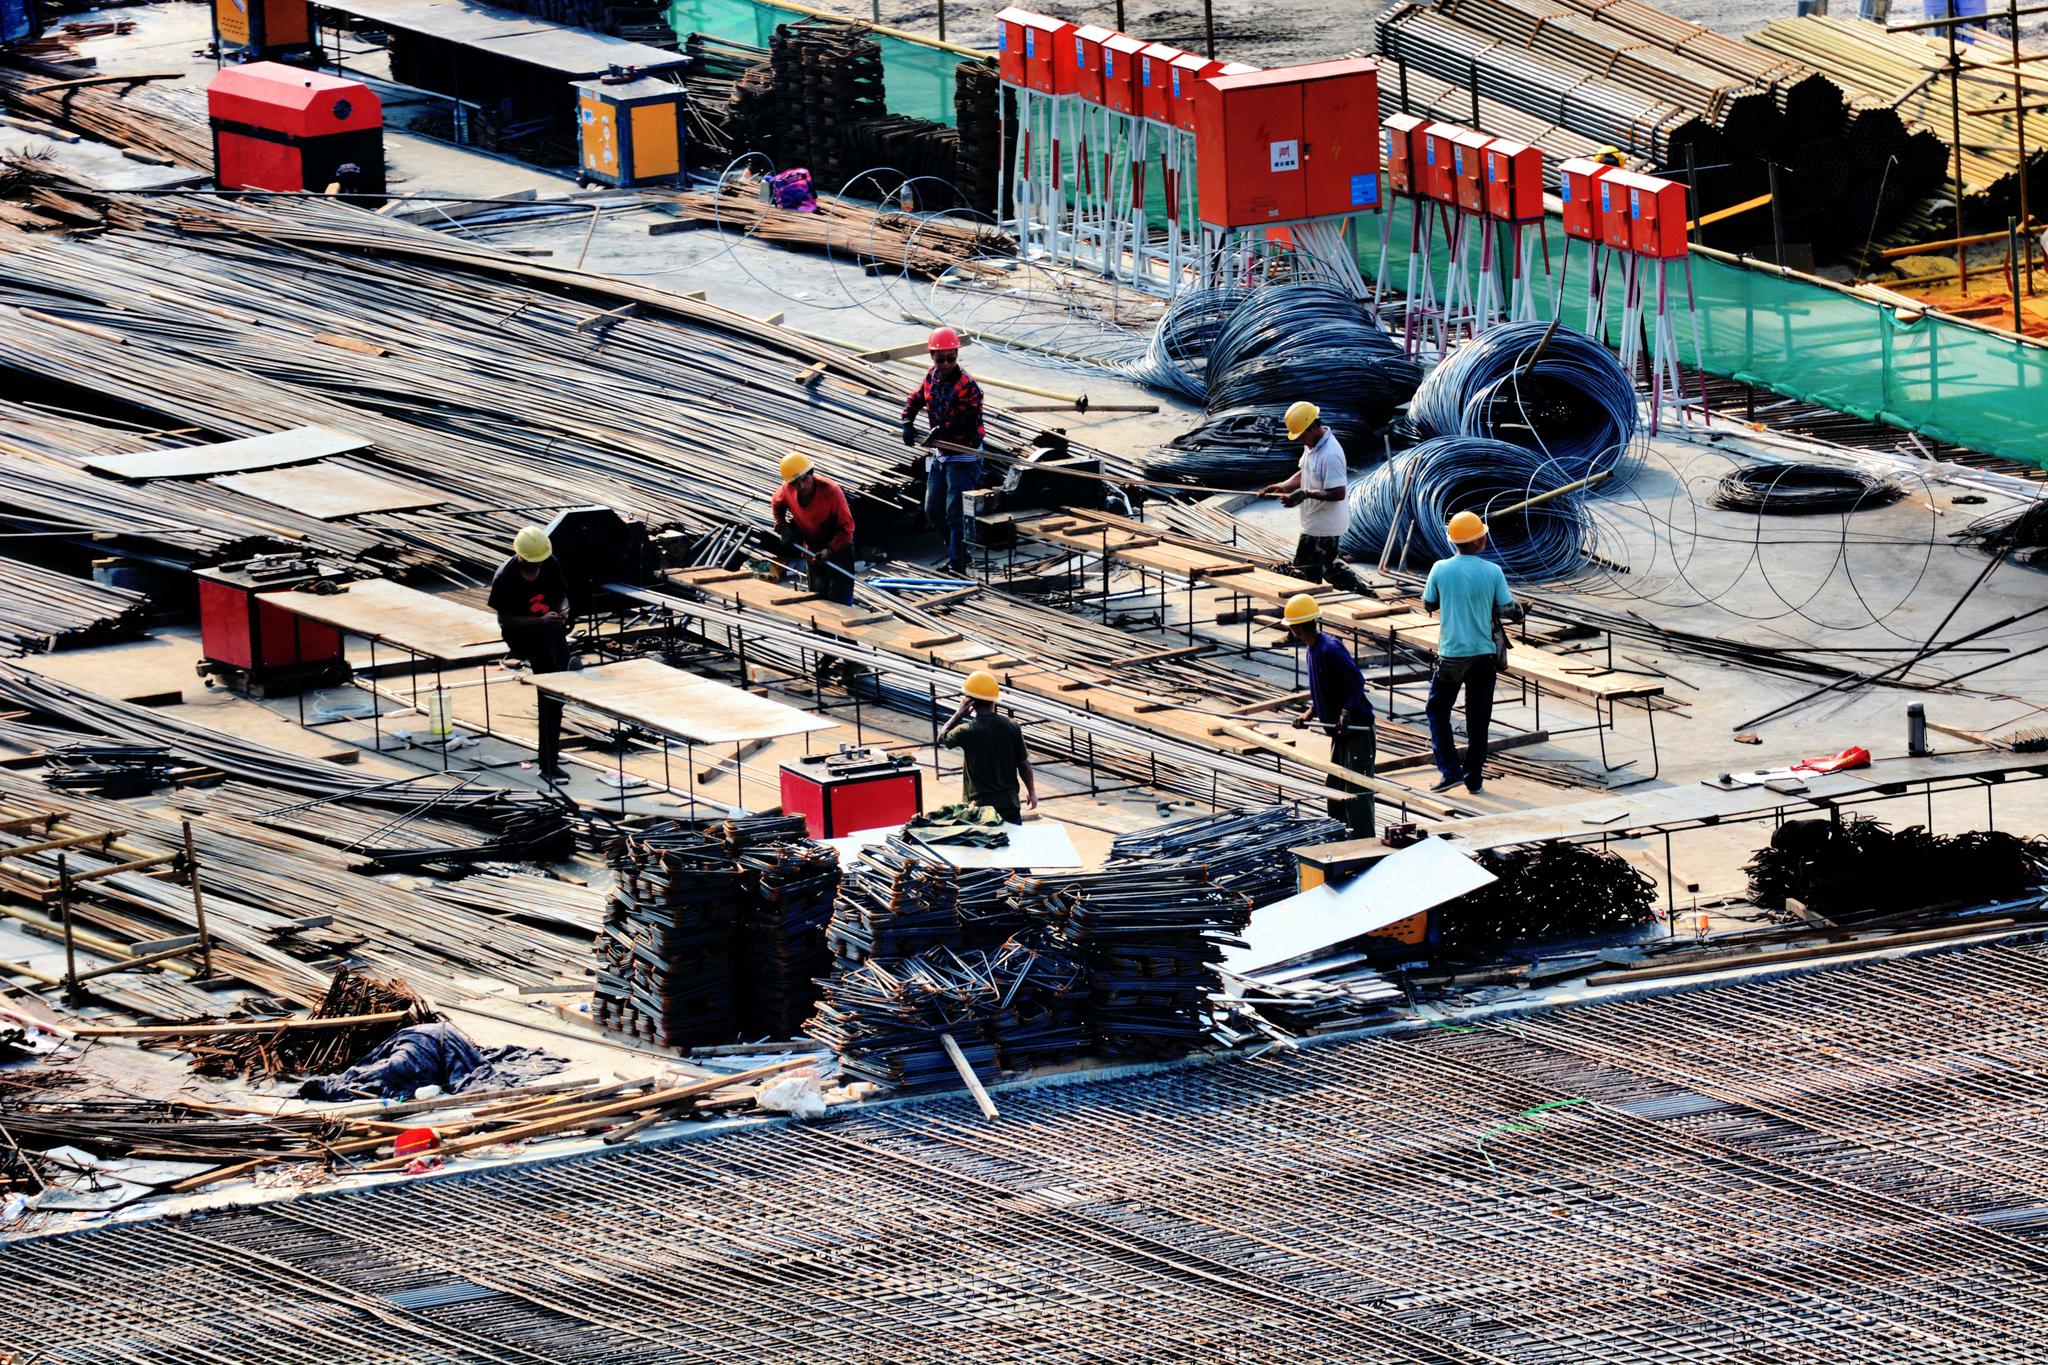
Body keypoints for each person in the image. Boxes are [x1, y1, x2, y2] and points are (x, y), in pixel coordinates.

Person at [1420, 511, 1523, 795]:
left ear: (1455, 542)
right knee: (1478, 719)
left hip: (1452, 655)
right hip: (1484, 656)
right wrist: (1520, 610)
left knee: (1438, 711)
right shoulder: (1493, 572)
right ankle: (1473, 777)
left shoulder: (1440, 568)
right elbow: (1508, 610)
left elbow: (1429, 602)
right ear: (1479, 541)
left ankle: (1450, 771)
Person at [1283, 593, 1376, 837]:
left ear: (1298, 627)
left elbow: (1356, 680)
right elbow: (1323, 689)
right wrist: (1309, 714)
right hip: (1339, 730)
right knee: (1334, 785)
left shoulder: (1331, 649)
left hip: (1356, 728)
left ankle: (1362, 842)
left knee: (1356, 788)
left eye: (1292, 627)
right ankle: (1338, 834)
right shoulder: (1311, 650)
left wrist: (1347, 711)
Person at [488, 526, 574, 783]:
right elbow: (505, 621)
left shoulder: (550, 563)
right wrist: (538, 621)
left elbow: (562, 597)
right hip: (525, 637)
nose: (538, 567)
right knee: (549, 697)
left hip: (551, 632)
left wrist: (563, 610)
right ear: (522, 557)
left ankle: (550, 759)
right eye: (533, 563)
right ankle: (548, 764)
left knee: (558, 695)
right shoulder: (506, 578)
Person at [900, 325, 985, 576]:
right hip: (941, 454)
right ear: (932, 357)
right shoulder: (932, 377)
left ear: (957, 355)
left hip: (963, 455)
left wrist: (943, 430)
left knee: (954, 513)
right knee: (932, 509)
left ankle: (956, 565)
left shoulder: (967, 385)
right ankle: (957, 551)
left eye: (951, 358)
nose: (946, 363)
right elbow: (915, 398)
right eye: (941, 359)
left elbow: (969, 420)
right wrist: (907, 421)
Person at [1259, 401, 1349, 585]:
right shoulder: (1312, 445)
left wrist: (1306, 494)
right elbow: (1305, 471)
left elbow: (1338, 492)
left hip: (1325, 526)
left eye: (1301, 435)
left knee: (1304, 572)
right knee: (1324, 569)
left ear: (1314, 426)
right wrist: (1283, 486)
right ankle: (1362, 594)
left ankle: (1311, 603)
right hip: (1312, 521)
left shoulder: (1331, 454)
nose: (1300, 440)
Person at [939, 670, 1036, 824]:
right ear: (994, 699)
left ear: (969, 701)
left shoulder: (966, 730)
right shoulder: (1012, 726)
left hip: (979, 809)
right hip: (1009, 804)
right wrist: (1032, 793)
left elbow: (942, 738)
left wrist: (958, 713)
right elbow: (1024, 764)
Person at [769, 451, 856, 607]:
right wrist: (781, 525)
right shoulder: (787, 490)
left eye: (804, 479)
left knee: (840, 601)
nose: (801, 486)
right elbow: (777, 504)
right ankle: (822, 632)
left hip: (839, 547)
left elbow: (847, 527)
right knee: (818, 600)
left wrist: (830, 550)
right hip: (812, 548)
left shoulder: (831, 491)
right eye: (795, 483)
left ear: (811, 473)